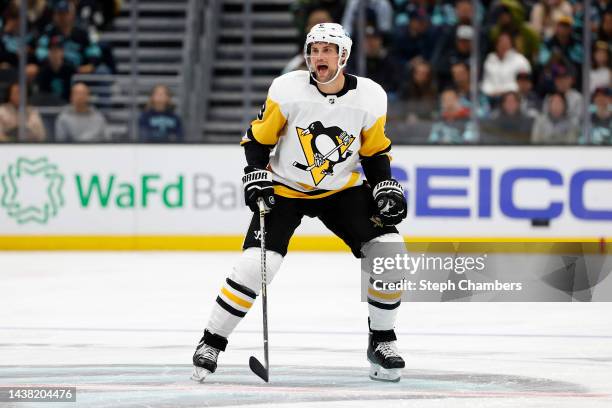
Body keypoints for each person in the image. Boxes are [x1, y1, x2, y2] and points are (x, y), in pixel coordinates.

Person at [192, 23, 408, 383]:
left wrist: (384, 182)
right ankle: (211, 341)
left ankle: (382, 340)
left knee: (390, 252)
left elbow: (373, 152)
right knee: (255, 266)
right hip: (286, 188)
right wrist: (256, 174)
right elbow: (257, 140)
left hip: (342, 190)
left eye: (327, 49)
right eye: (314, 49)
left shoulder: (371, 96)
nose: (319, 56)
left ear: (344, 55)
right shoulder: (287, 88)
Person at [36, 0, 103, 74]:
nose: (62, 17)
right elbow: (40, 51)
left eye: (65, 14)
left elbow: (94, 50)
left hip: (77, 72)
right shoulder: (49, 31)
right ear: (55, 15)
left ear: (72, 15)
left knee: (101, 70)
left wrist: (91, 64)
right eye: (59, 14)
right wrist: (52, 60)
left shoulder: (82, 32)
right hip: (54, 71)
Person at [481, 32, 532, 99]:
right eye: (501, 42)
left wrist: (504, 92)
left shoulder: (521, 61)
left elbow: (525, 84)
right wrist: (490, 92)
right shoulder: (490, 60)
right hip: (490, 97)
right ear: (496, 45)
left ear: (511, 44)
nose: (503, 45)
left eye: (506, 43)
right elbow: (486, 82)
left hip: (514, 99)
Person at [36, 35, 77, 102]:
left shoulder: (70, 70)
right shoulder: (43, 72)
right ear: (48, 53)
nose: (55, 54)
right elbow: (42, 93)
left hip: (67, 106)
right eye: (52, 50)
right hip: (49, 106)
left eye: (57, 50)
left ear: (62, 52)